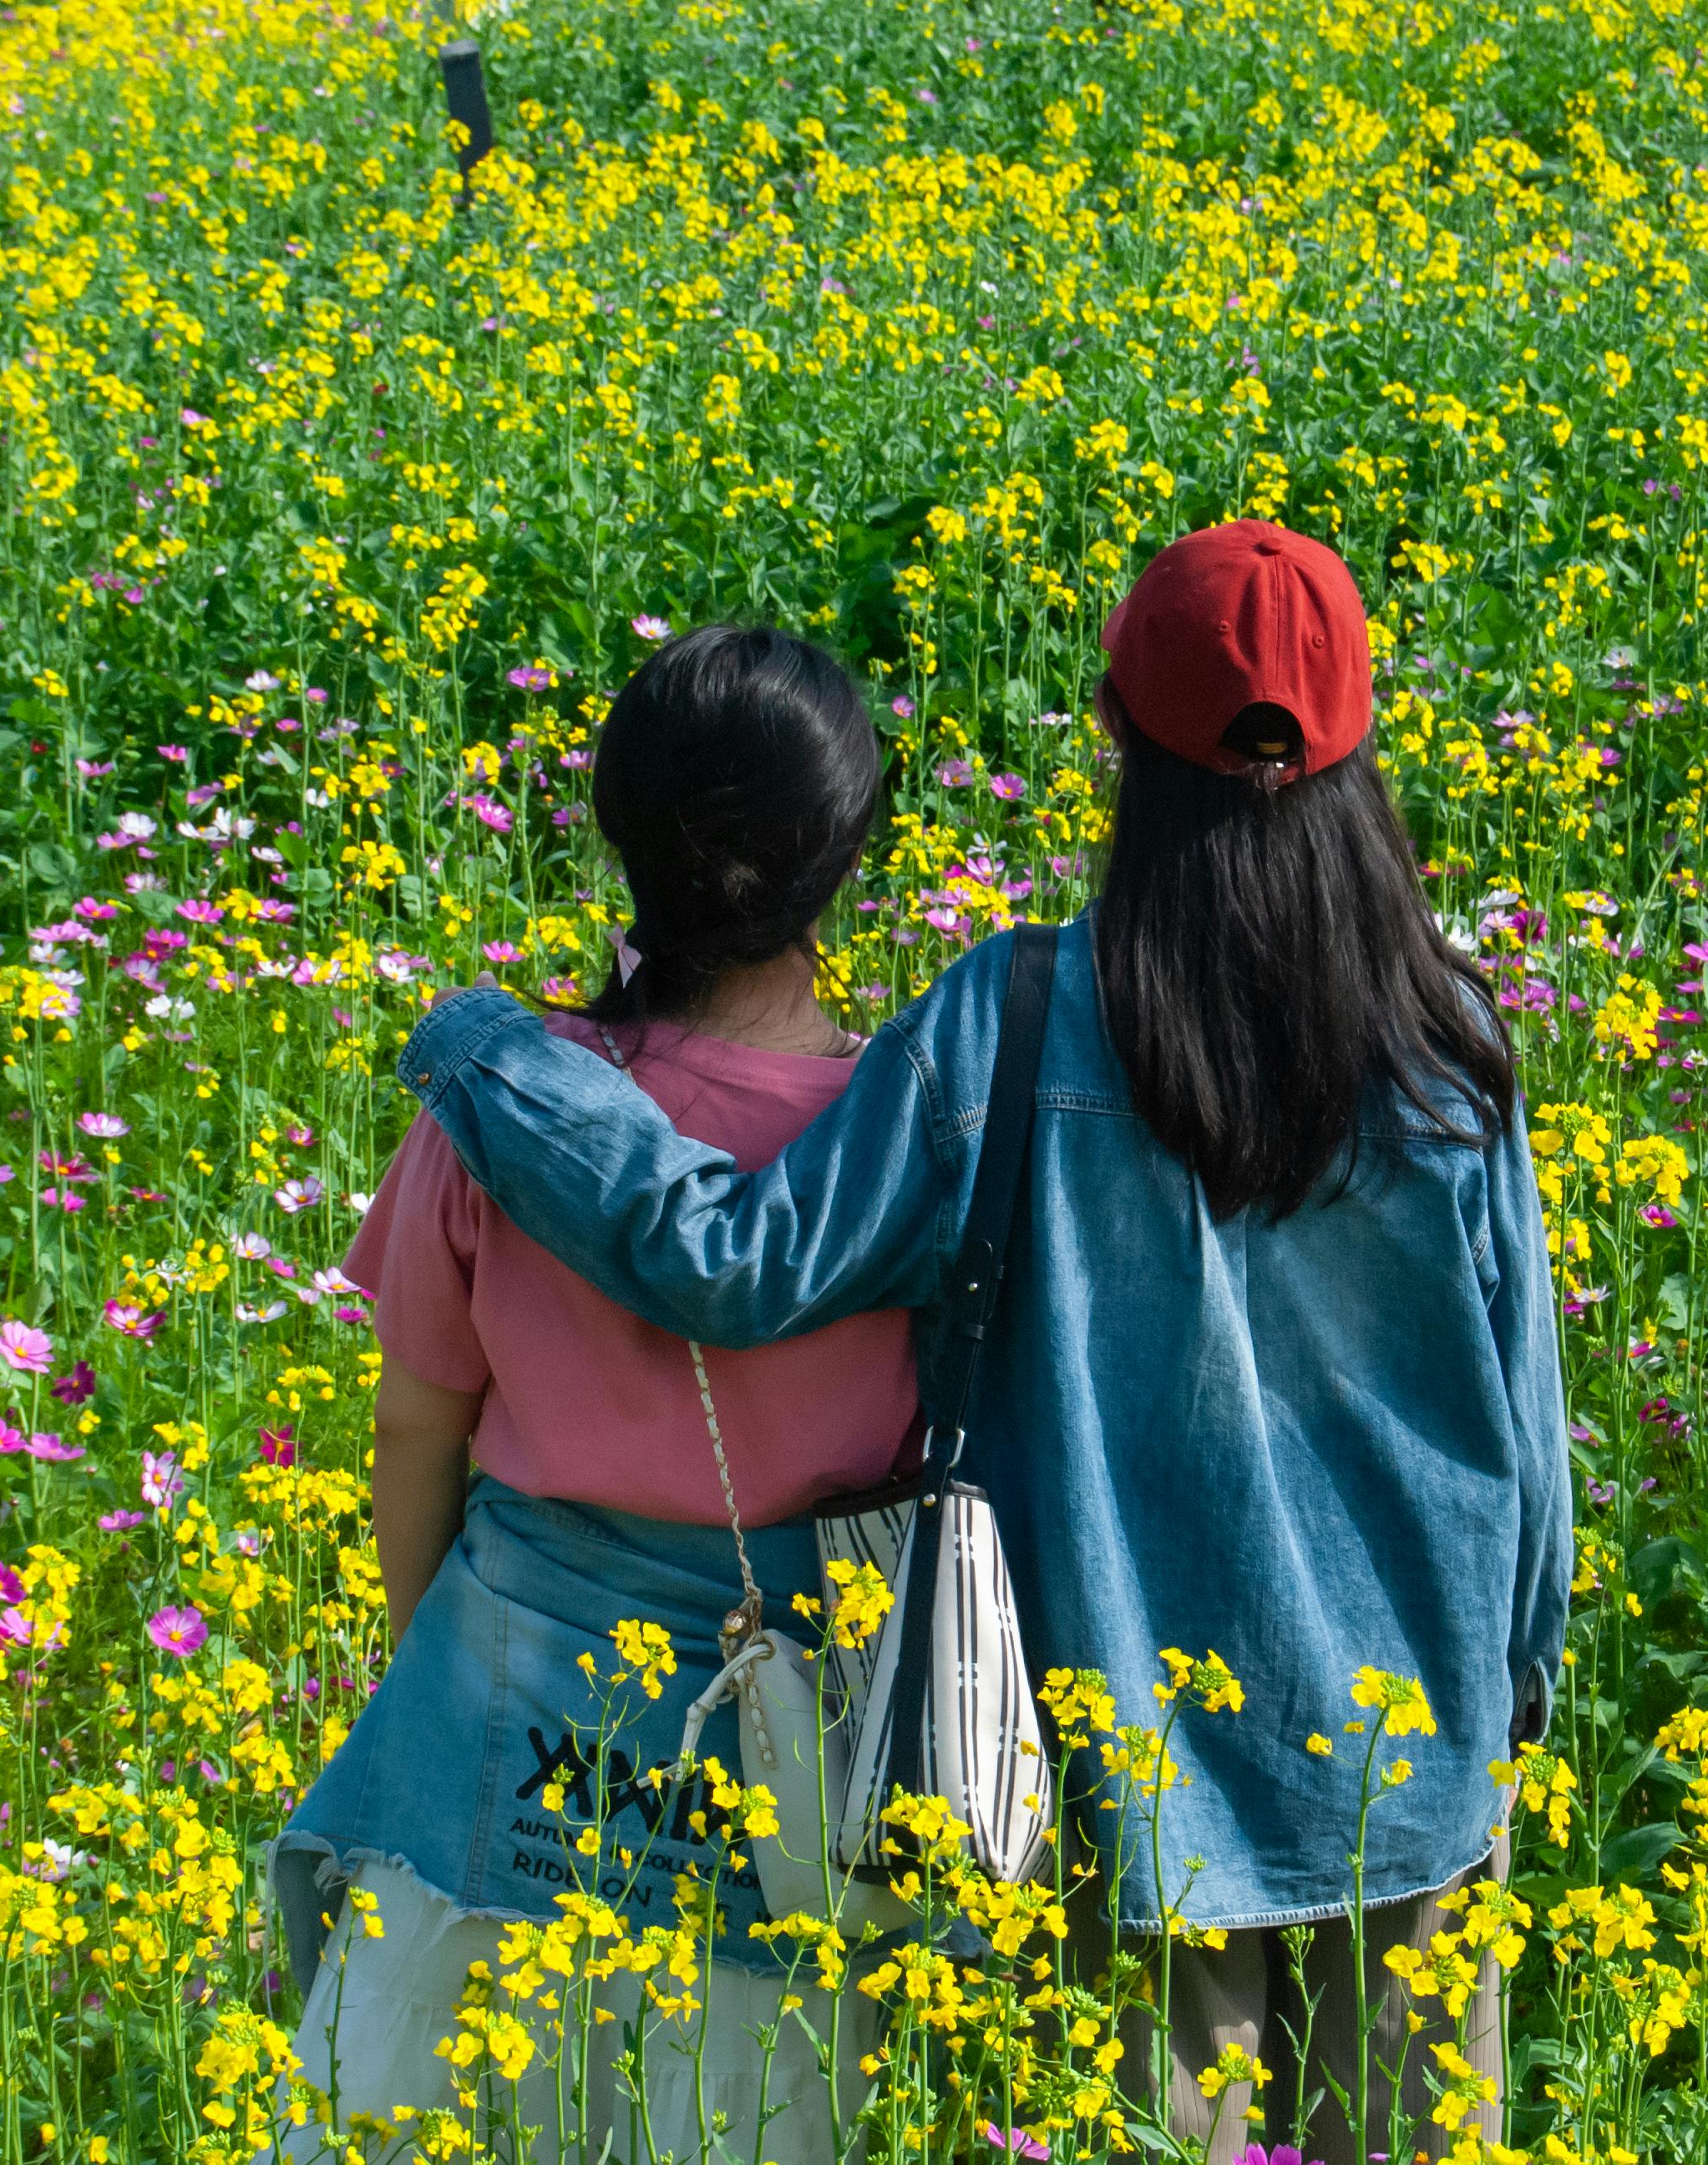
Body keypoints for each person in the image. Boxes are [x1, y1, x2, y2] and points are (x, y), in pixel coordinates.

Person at [394, 521, 1574, 2162]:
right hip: (1413, 1768)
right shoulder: (1453, 1053)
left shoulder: (1014, 1021)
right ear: (1362, 747)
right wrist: (1513, 1694)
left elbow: (730, 1264)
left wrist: (490, 1054)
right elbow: (1523, 1442)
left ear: (1115, 740)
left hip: (1129, 1797)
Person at [269, 625, 917, 2162]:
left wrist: (433, 1669)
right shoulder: (906, 1146)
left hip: (501, 1698)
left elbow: (417, 1429)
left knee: (425, 2117)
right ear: (851, 857)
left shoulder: (510, 1112)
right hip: (798, 1757)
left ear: (617, 835)